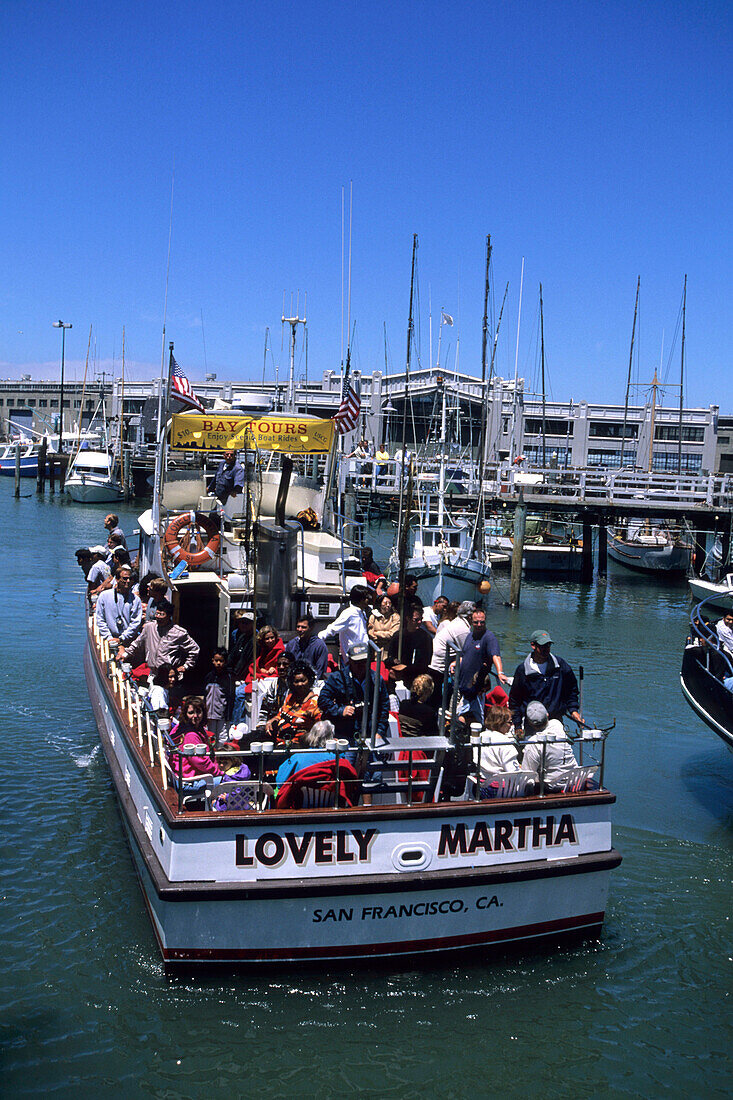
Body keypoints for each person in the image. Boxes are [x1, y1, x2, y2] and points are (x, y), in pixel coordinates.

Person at [508, 629, 582, 730]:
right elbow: (515, 699)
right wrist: (517, 725)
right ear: (533, 645)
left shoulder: (560, 666)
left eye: (548, 646)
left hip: (555, 721)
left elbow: (571, 690)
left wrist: (573, 710)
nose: (546, 649)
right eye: (542, 646)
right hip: (531, 723)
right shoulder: (522, 670)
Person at [318, 642, 389, 742]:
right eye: (357, 662)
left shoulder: (376, 679)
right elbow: (322, 700)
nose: (360, 666)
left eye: (363, 662)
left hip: (370, 734)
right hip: (345, 735)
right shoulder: (337, 678)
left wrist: (380, 732)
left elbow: (384, 707)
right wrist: (340, 710)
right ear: (350, 661)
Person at [117, 597, 200, 679]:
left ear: (169, 616)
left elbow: (194, 649)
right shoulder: (149, 627)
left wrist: (185, 666)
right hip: (152, 673)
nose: (158, 617)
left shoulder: (179, 633)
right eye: (157, 613)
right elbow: (137, 644)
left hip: (169, 676)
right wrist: (125, 654)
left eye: (162, 614)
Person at [457, 608, 508, 723]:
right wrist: (455, 663)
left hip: (475, 688)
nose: (479, 625)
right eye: (476, 622)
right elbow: (464, 655)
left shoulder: (489, 637)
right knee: (458, 714)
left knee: (470, 717)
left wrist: (500, 672)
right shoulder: (470, 636)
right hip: (462, 684)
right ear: (471, 621)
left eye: (482, 622)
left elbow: (495, 655)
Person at [520, 701, 579, 792]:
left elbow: (527, 776)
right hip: (576, 780)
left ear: (530, 723)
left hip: (554, 787)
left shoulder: (533, 743)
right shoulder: (557, 724)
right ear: (547, 714)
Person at [167, 696, 227, 784]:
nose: (195, 716)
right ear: (185, 714)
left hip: (187, 774)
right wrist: (219, 773)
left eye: (198, 712)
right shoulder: (190, 735)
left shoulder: (182, 727)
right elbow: (201, 762)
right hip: (190, 780)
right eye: (191, 713)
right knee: (230, 781)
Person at [265, 660, 321, 745]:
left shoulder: (315, 703)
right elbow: (280, 715)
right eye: (296, 682)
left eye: (303, 680)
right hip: (277, 741)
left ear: (310, 681)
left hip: (297, 746)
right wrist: (270, 722)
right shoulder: (291, 698)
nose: (300, 684)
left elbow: (319, 730)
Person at [429, 599, 475, 697]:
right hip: (439, 668)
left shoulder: (456, 622)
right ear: (470, 616)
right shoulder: (463, 629)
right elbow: (469, 654)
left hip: (434, 662)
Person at [318, 583, 371, 664]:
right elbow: (333, 628)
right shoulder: (348, 613)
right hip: (352, 657)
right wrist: (318, 639)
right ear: (360, 599)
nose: (368, 599)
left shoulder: (362, 612)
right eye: (366, 598)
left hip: (362, 653)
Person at [275, 720, 337, 787]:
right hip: (328, 796)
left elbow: (280, 782)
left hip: (300, 795)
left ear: (311, 735)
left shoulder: (297, 757)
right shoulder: (337, 758)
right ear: (331, 738)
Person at [386, 602, 432, 688]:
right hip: (398, 679)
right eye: (416, 620)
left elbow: (425, 663)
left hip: (415, 679)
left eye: (421, 619)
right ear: (408, 618)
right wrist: (394, 661)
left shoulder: (426, 638)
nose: (419, 622)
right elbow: (390, 658)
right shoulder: (398, 636)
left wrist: (406, 669)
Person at [95, 566, 143, 646]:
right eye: (124, 579)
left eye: (130, 579)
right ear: (117, 579)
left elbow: (135, 622)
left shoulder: (135, 599)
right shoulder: (104, 596)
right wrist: (109, 637)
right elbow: (100, 619)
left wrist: (122, 638)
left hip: (127, 640)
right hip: (108, 640)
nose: (127, 581)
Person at [477, 706, 521, 789]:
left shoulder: (480, 737)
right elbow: (513, 773)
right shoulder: (505, 742)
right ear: (500, 723)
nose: (512, 725)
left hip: (482, 786)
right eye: (510, 722)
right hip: (502, 789)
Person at [257, 650, 296, 726]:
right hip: (272, 723)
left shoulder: (296, 686)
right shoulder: (274, 684)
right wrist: (261, 725)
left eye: (285, 664)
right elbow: (265, 708)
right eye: (279, 664)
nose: (281, 667)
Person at [205, 647, 235, 744]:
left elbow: (230, 696)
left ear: (225, 662)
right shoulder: (209, 677)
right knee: (211, 736)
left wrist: (228, 714)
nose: (218, 663)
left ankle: (222, 757)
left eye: (221, 661)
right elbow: (205, 695)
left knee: (222, 737)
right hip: (210, 713)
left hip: (222, 714)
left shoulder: (228, 677)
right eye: (216, 660)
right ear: (212, 661)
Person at [285, 613, 329, 679]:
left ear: (311, 628)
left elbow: (320, 670)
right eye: (298, 627)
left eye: (303, 627)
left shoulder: (319, 645)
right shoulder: (291, 644)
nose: (300, 630)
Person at [367, 593, 401, 658]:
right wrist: (383, 637)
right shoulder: (373, 617)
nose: (388, 605)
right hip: (375, 651)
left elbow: (392, 634)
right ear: (380, 604)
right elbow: (370, 633)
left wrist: (376, 633)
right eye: (385, 603)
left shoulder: (395, 617)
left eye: (390, 603)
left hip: (389, 651)